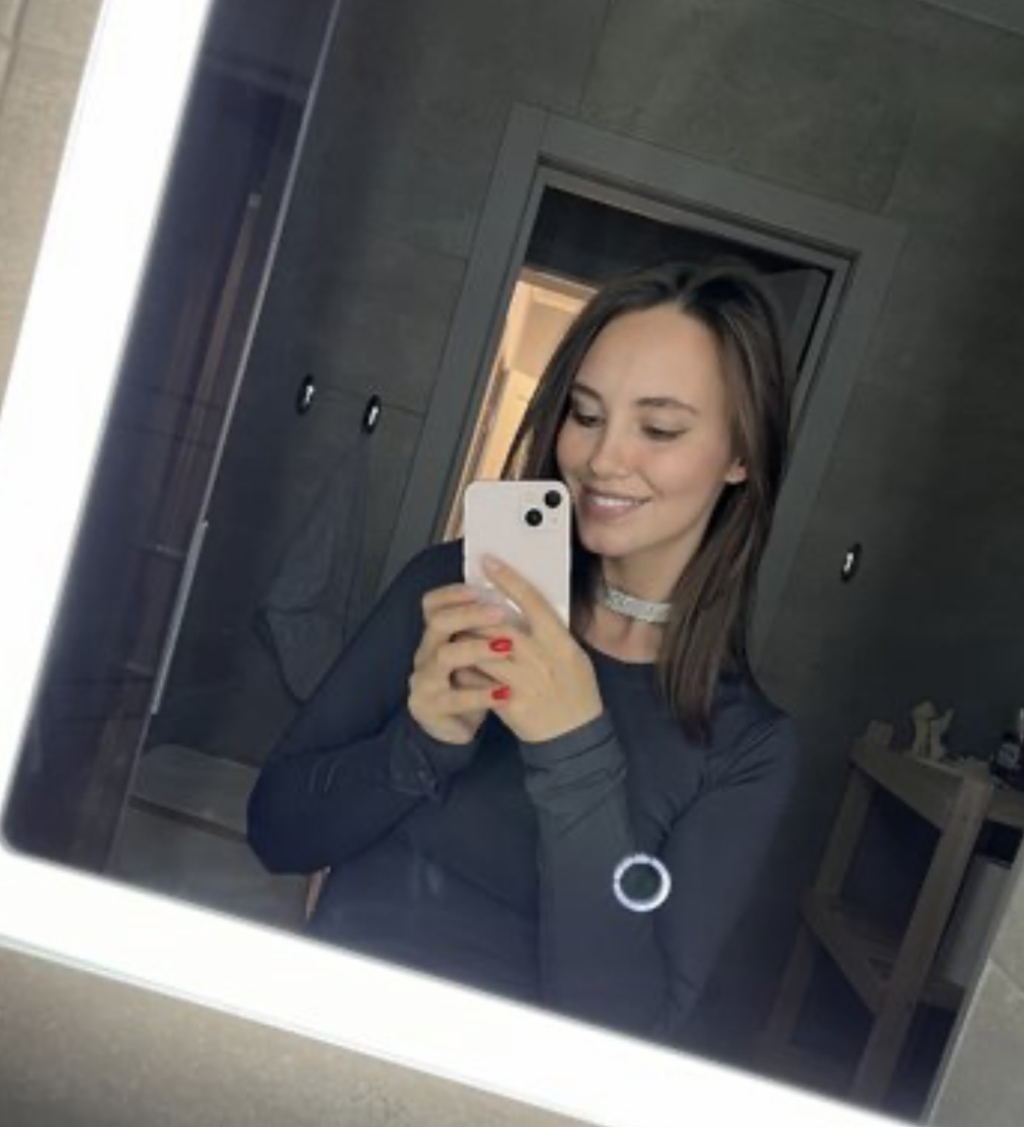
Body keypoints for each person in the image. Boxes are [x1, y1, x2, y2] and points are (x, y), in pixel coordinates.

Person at [247, 260, 801, 1047]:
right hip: (317, 1034)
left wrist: (574, 748)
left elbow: (625, 1029)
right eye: (585, 413)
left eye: (659, 429)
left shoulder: (748, 745)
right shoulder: (450, 588)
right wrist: (419, 745)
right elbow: (276, 830)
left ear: (741, 453)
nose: (602, 458)